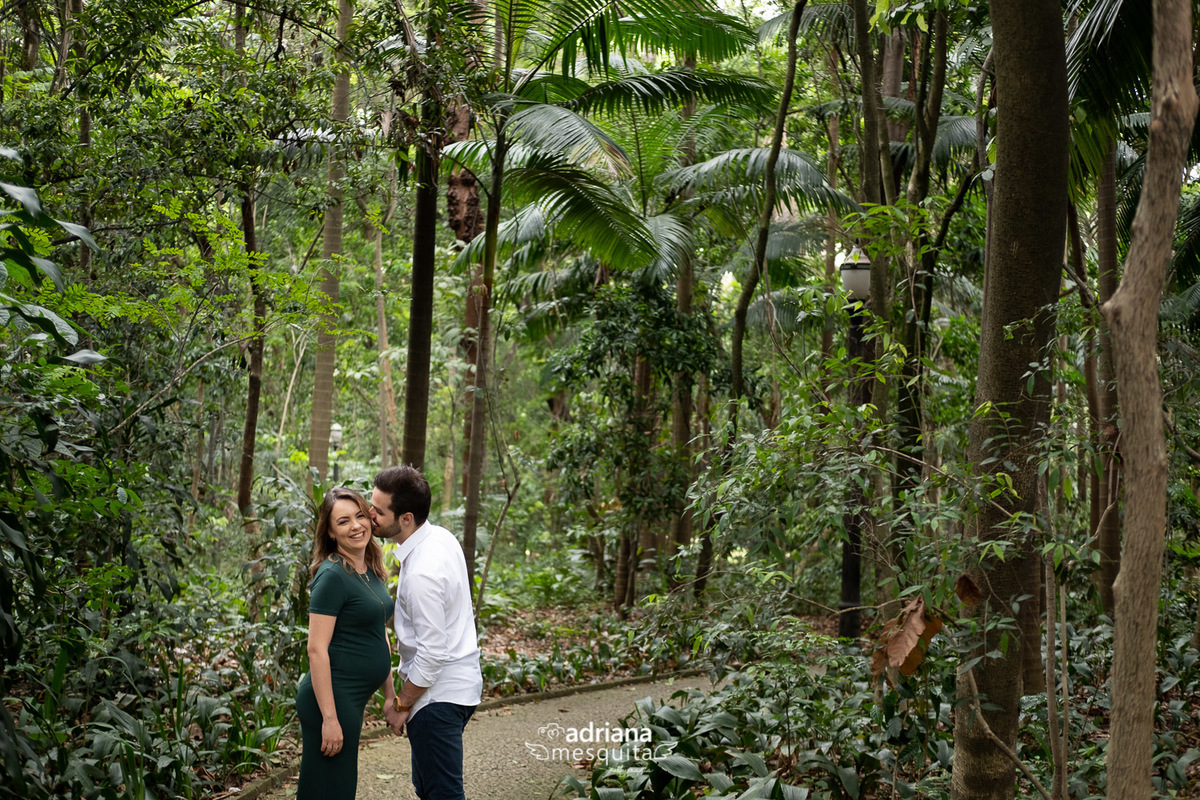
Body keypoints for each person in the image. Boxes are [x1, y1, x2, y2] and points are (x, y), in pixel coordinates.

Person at [371, 465, 482, 800]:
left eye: (378, 510)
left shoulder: (422, 573)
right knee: (428, 787)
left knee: (443, 794)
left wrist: (400, 706)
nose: (370, 515)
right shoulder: (440, 536)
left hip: (437, 699)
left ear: (406, 518)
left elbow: (432, 654)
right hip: (457, 688)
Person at [295, 488, 400, 799]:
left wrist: (390, 695)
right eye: (343, 521)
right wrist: (329, 718)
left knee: (336, 788)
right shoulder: (331, 576)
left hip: (351, 699)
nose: (356, 526)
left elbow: (377, 632)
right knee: (330, 789)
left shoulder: (368, 567)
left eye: (359, 516)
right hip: (331, 700)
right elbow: (316, 649)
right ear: (330, 531)